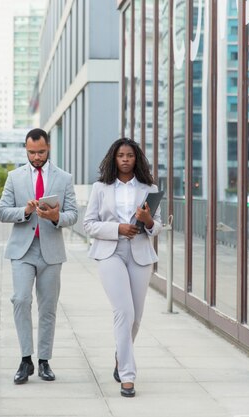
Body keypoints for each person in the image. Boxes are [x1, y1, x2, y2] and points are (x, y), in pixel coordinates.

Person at [0, 128, 78, 384]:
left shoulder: (64, 178)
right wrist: (24, 210)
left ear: (48, 148)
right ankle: (25, 359)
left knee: (48, 308)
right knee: (21, 300)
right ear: (26, 149)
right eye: (31, 152)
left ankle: (44, 361)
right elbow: (1, 212)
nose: (36, 157)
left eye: (41, 152)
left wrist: (56, 217)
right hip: (22, 250)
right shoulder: (14, 177)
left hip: (51, 251)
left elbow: (73, 215)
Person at [83, 138, 162, 398]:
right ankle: (127, 376)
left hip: (140, 253)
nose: (125, 159)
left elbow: (157, 227)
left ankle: (120, 354)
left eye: (130, 155)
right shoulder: (100, 188)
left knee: (136, 317)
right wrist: (117, 228)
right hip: (110, 253)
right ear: (114, 159)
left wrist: (148, 220)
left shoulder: (150, 188)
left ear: (136, 159)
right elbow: (89, 224)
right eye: (121, 155)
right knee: (124, 311)